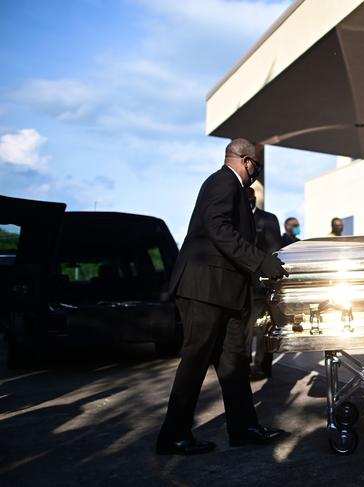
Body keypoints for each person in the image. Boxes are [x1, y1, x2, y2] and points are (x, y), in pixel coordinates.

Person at [157, 138, 289, 456]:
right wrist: (260, 260)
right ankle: (173, 435)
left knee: (233, 362)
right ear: (245, 161)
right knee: (195, 361)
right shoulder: (221, 182)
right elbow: (218, 228)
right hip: (204, 289)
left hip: (224, 292)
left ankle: (243, 427)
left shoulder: (231, 187)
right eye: (256, 165)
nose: (256, 171)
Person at [244, 186, 282, 380]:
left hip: (260, 283)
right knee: (244, 327)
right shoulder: (236, 218)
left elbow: (274, 249)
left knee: (262, 327)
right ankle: (244, 364)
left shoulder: (268, 219)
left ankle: (261, 366)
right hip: (241, 284)